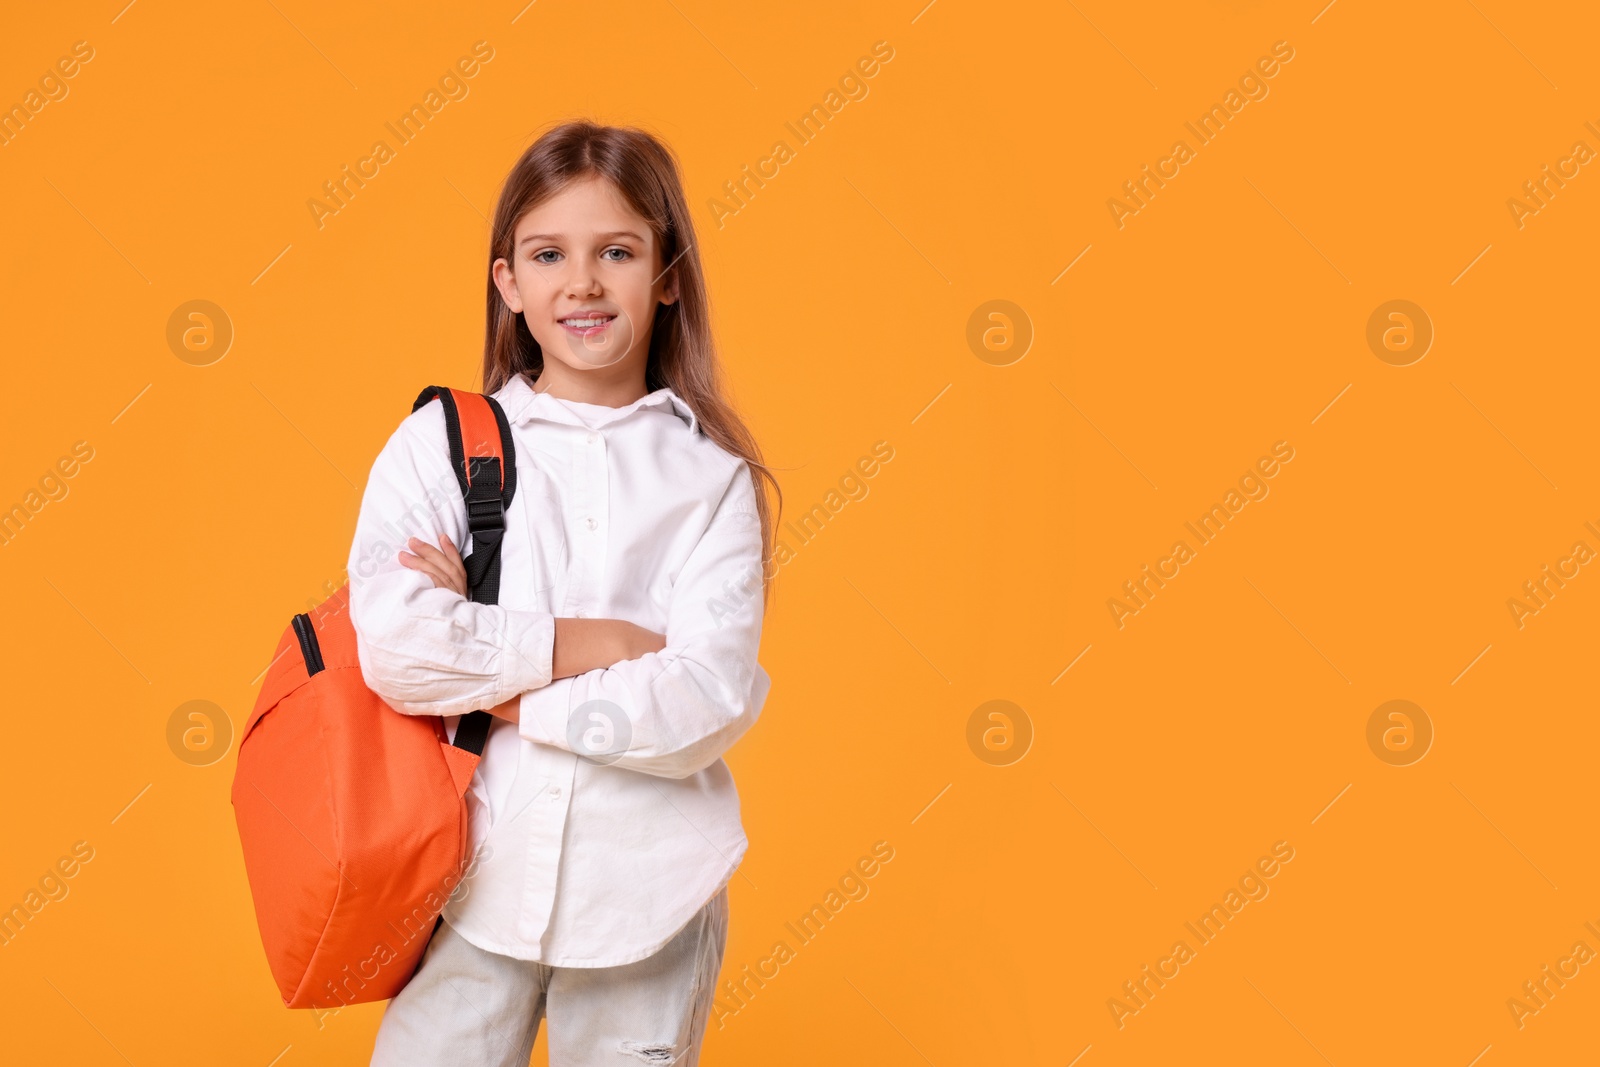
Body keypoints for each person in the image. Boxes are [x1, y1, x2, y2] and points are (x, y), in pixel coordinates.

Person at [350, 119, 780, 1067]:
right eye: (549, 254)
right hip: (471, 877)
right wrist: (608, 641)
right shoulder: (441, 446)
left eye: (616, 251)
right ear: (508, 280)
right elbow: (394, 646)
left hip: (654, 896)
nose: (581, 283)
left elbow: (700, 701)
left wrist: (496, 685)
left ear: (666, 274)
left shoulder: (712, 481)